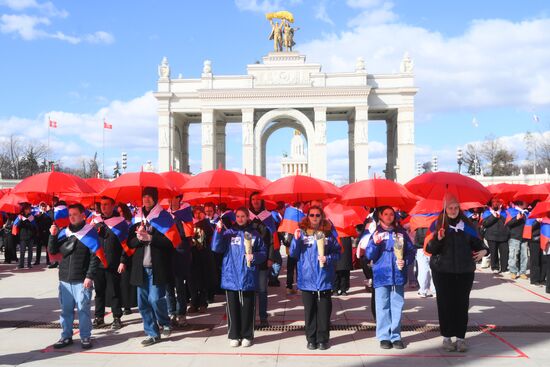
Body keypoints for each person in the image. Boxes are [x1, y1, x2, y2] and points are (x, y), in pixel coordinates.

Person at [426, 195, 488, 353]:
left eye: (455, 207)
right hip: (442, 272)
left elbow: (480, 244)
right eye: (450, 208)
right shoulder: (436, 225)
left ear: (459, 209)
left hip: (464, 272)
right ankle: (446, 337)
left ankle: (461, 338)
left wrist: (484, 251)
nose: (453, 211)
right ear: (445, 209)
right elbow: (429, 249)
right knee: (445, 305)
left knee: (462, 305)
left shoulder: (468, 225)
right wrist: (438, 239)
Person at [212, 207, 267, 348]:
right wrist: (218, 232)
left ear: (248, 217)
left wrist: (254, 257)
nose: (240, 218)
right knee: (233, 308)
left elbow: (263, 253)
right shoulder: (229, 233)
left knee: (248, 308)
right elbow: (216, 248)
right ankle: (234, 335)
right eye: (238, 216)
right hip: (231, 276)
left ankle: (247, 335)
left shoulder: (254, 234)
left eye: (243, 216)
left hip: (248, 276)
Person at [48, 203, 100, 349]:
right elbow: (52, 251)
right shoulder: (64, 232)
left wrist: (89, 276)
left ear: (83, 215)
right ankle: (66, 336)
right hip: (64, 279)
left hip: (82, 279)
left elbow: (95, 257)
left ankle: (85, 336)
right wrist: (52, 235)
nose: (72, 217)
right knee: (65, 311)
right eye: (70, 215)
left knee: (83, 309)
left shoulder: (90, 232)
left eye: (75, 214)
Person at [128, 187, 175, 346]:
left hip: (157, 267)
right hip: (140, 268)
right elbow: (130, 243)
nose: (146, 199)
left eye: (149, 196)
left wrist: (150, 238)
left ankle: (165, 321)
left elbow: (171, 243)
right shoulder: (137, 217)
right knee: (143, 304)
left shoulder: (164, 217)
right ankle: (152, 333)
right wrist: (139, 238)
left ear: (155, 199)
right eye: (144, 196)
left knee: (155, 299)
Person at [290, 205, 340, 351]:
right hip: (307, 279)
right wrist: (296, 239)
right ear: (307, 216)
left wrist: (328, 258)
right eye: (311, 215)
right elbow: (293, 253)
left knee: (324, 312)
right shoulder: (302, 233)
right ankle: (311, 339)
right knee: (309, 311)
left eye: (317, 215)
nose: (314, 218)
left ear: (322, 216)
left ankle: (323, 338)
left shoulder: (329, 233)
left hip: (324, 278)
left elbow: (338, 253)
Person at [365, 206, 415, 350]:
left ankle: (396, 335)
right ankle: (384, 336)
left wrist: (404, 261)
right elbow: (369, 256)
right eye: (385, 214)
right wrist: (374, 243)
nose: (388, 216)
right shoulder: (376, 233)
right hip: (381, 275)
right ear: (380, 216)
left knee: (397, 306)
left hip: (398, 275)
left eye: (391, 214)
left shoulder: (401, 233)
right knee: (382, 306)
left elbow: (410, 252)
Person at [91, 197, 129, 330]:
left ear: (113, 205)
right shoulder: (95, 221)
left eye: (106, 204)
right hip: (98, 262)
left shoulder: (120, 222)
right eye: (102, 205)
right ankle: (99, 317)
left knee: (114, 291)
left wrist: (123, 261)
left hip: (113, 262)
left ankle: (117, 317)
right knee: (99, 291)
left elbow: (126, 244)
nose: (103, 207)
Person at [248, 191, 276, 328]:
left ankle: (263, 317)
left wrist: (271, 257)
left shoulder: (268, 217)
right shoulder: (246, 216)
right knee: (250, 289)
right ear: (250, 201)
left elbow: (272, 239)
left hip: (264, 259)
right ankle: (250, 317)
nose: (256, 201)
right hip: (249, 259)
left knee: (263, 290)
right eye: (253, 199)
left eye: (258, 199)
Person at [188, 206, 215, 313]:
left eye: (200, 212)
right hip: (192, 256)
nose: (198, 215)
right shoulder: (189, 224)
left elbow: (211, 238)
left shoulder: (208, 225)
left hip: (204, 255)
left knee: (204, 279)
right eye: (196, 212)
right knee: (192, 280)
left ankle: (203, 302)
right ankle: (194, 302)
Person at [117, 203, 137, 315]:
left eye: (122, 212)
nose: (120, 214)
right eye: (118, 212)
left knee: (126, 281)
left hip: (128, 254)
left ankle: (127, 305)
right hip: (117, 254)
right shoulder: (115, 224)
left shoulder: (131, 224)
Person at [481, 198, 509, 274]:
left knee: (505, 252)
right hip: (491, 236)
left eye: (497, 202)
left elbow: (508, 223)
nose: (495, 203)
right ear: (491, 204)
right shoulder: (487, 212)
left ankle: (504, 268)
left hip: (503, 236)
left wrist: (500, 216)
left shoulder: (504, 212)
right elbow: (485, 223)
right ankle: (495, 267)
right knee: (493, 252)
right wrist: (493, 216)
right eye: (493, 202)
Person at [506, 201, 528, 279]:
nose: (527, 203)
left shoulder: (526, 212)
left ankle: (522, 272)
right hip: (514, 237)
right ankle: (513, 271)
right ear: (520, 203)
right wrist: (516, 218)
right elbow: (508, 224)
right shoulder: (511, 211)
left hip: (524, 237)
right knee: (513, 255)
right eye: (525, 202)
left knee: (524, 256)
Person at [14, 203, 38, 269]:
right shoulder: (20, 216)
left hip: (30, 236)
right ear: (24, 210)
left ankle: (29, 264)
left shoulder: (31, 216)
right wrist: (21, 220)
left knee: (30, 251)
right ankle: (21, 264)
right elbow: (16, 224)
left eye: (29, 209)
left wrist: (30, 221)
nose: (29, 210)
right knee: (22, 251)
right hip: (23, 236)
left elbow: (34, 226)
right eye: (27, 209)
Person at [414, 225, 435, 297]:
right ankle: (434, 290)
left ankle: (423, 290)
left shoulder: (417, 218)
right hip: (432, 245)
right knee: (434, 268)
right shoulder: (435, 217)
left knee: (423, 269)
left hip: (420, 247)